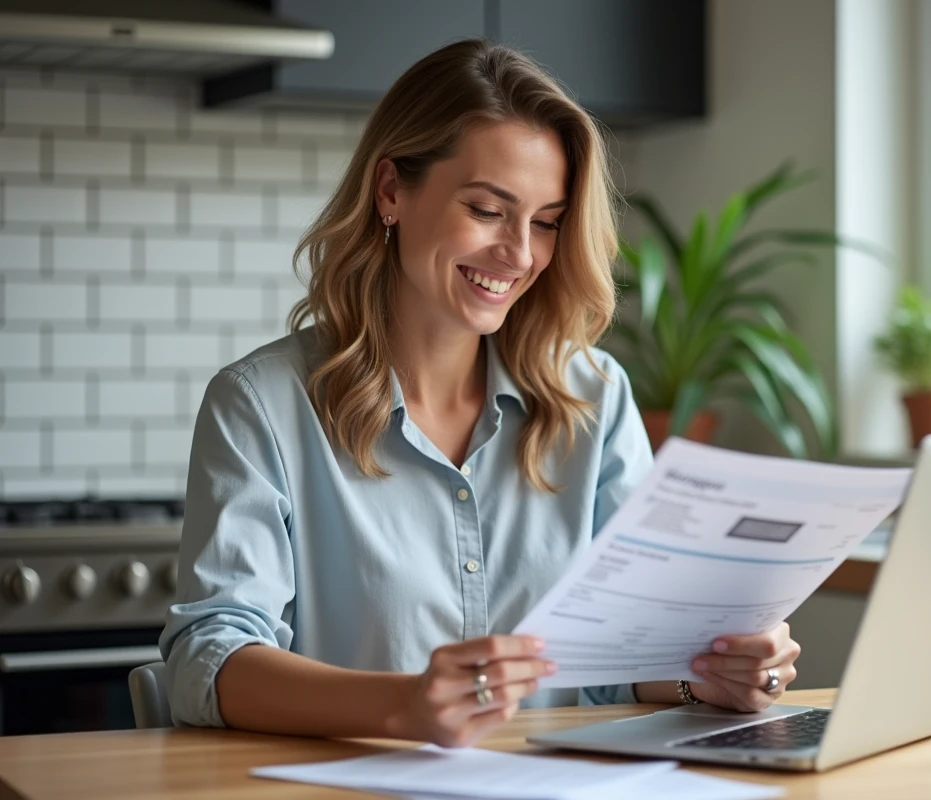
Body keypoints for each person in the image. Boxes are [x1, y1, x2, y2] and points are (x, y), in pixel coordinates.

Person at [160, 38, 802, 748]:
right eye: (488, 209)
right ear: (391, 192)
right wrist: (403, 706)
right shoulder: (261, 405)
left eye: (547, 222)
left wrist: (705, 673)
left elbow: (626, 656)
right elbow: (207, 657)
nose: (520, 253)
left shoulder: (593, 397)